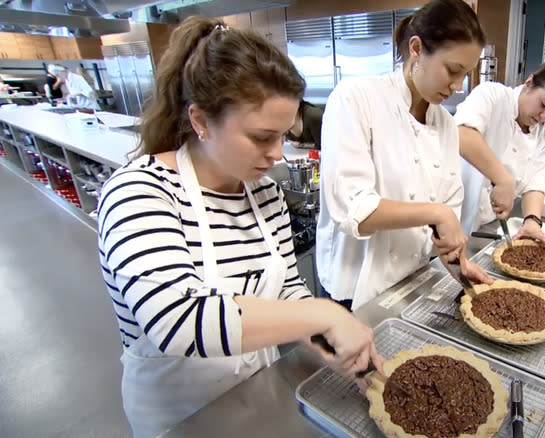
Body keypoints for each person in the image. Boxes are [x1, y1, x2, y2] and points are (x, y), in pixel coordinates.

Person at [97, 17, 380, 438]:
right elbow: (178, 319)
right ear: (201, 121)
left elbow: (286, 289)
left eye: (284, 135)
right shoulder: (139, 193)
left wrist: (325, 339)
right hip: (180, 418)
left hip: (255, 397)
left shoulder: (263, 194)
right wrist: (324, 311)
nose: (276, 154)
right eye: (262, 137)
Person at [316, 0, 492, 310]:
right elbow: (353, 209)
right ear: (416, 48)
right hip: (352, 292)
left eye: (465, 74)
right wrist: (438, 213)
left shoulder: (446, 124)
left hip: (410, 282)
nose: (456, 85)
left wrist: (459, 263)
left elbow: (444, 222)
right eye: (452, 70)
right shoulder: (356, 98)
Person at [456, 57, 545, 248]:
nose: (544, 116)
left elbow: (536, 182)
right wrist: (503, 179)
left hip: (485, 226)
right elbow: (462, 133)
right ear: (529, 83)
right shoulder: (493, 96)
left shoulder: (544, 135)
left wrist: (532, 221)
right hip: (450, 214)